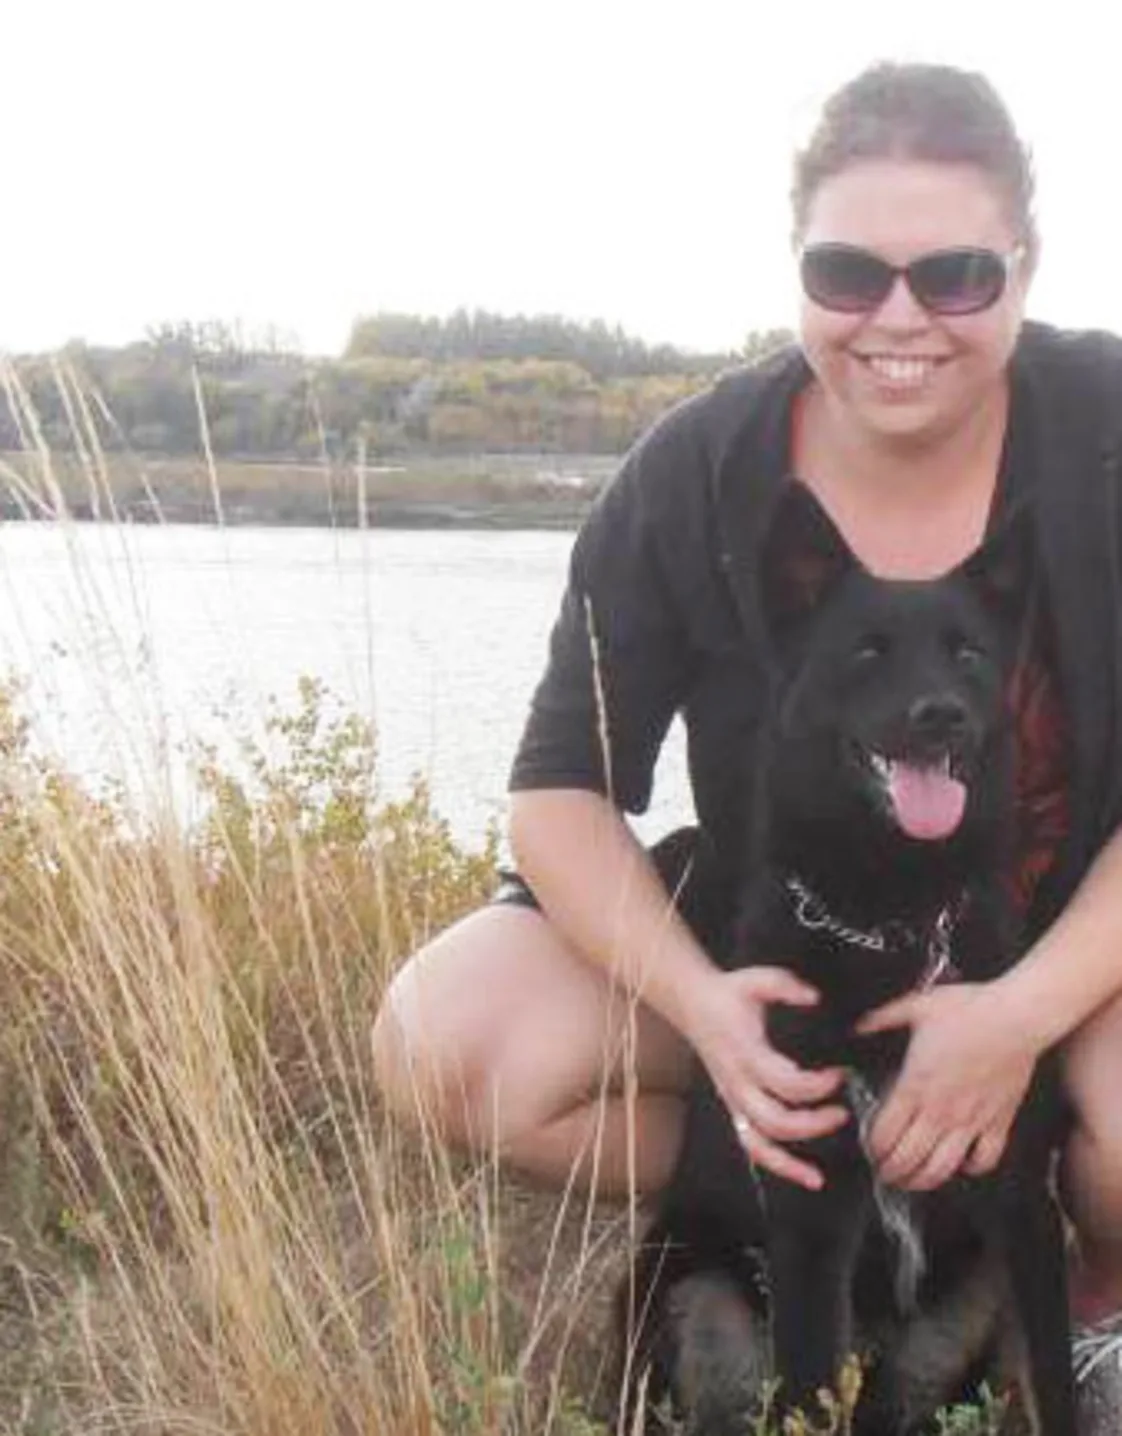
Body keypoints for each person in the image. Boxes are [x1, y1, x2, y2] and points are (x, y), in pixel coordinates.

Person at [373, 60, 1122, 1425]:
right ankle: (776, 1222)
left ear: (1021, 267)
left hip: (1070, 951)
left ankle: (1084, 1297)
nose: (898, 319)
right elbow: (557, 792)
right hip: (785, 944)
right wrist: (706, 1010)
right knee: (452, 1038)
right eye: (847, 273)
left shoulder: (1107, 432)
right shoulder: (694, 468)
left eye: (953, 273)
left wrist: (1015, 1018)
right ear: (796, 272)